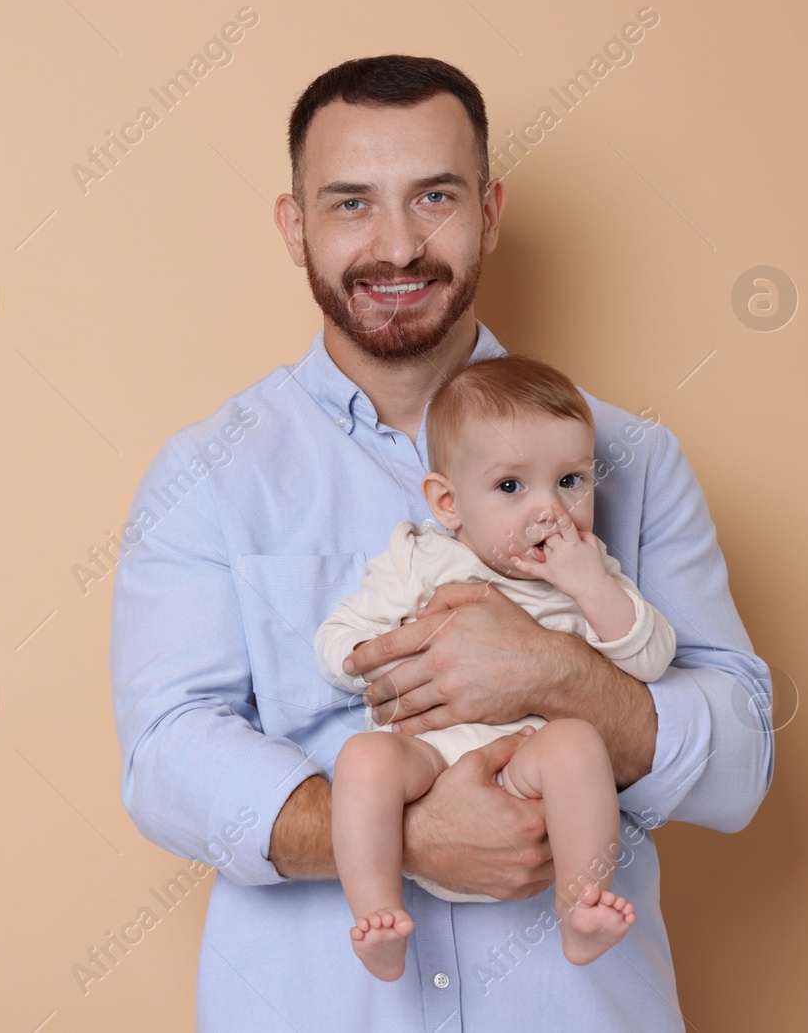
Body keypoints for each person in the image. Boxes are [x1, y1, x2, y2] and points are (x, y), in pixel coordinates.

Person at [108, 53, 772, 1030]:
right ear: (294, 227)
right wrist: (403, 839)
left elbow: (740, 760)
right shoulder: (206, 474)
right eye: (349, 204)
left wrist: (562, 673)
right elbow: (167, 755)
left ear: (490, 211)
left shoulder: (632, 455)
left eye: (434, 196)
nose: (396, 244)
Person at [314, 354, 678, 981]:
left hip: (526, 766)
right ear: (448, 502)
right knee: (362, 761)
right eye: (512, 487)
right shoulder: (417, 560)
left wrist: (592, 588)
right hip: (427, 765)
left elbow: (651, 660)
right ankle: (378, 917)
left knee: (576, 746)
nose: (550, 512)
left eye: (571, 481)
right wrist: (385, 658)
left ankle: (579, 910)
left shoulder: (589, 572)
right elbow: (338, 641)